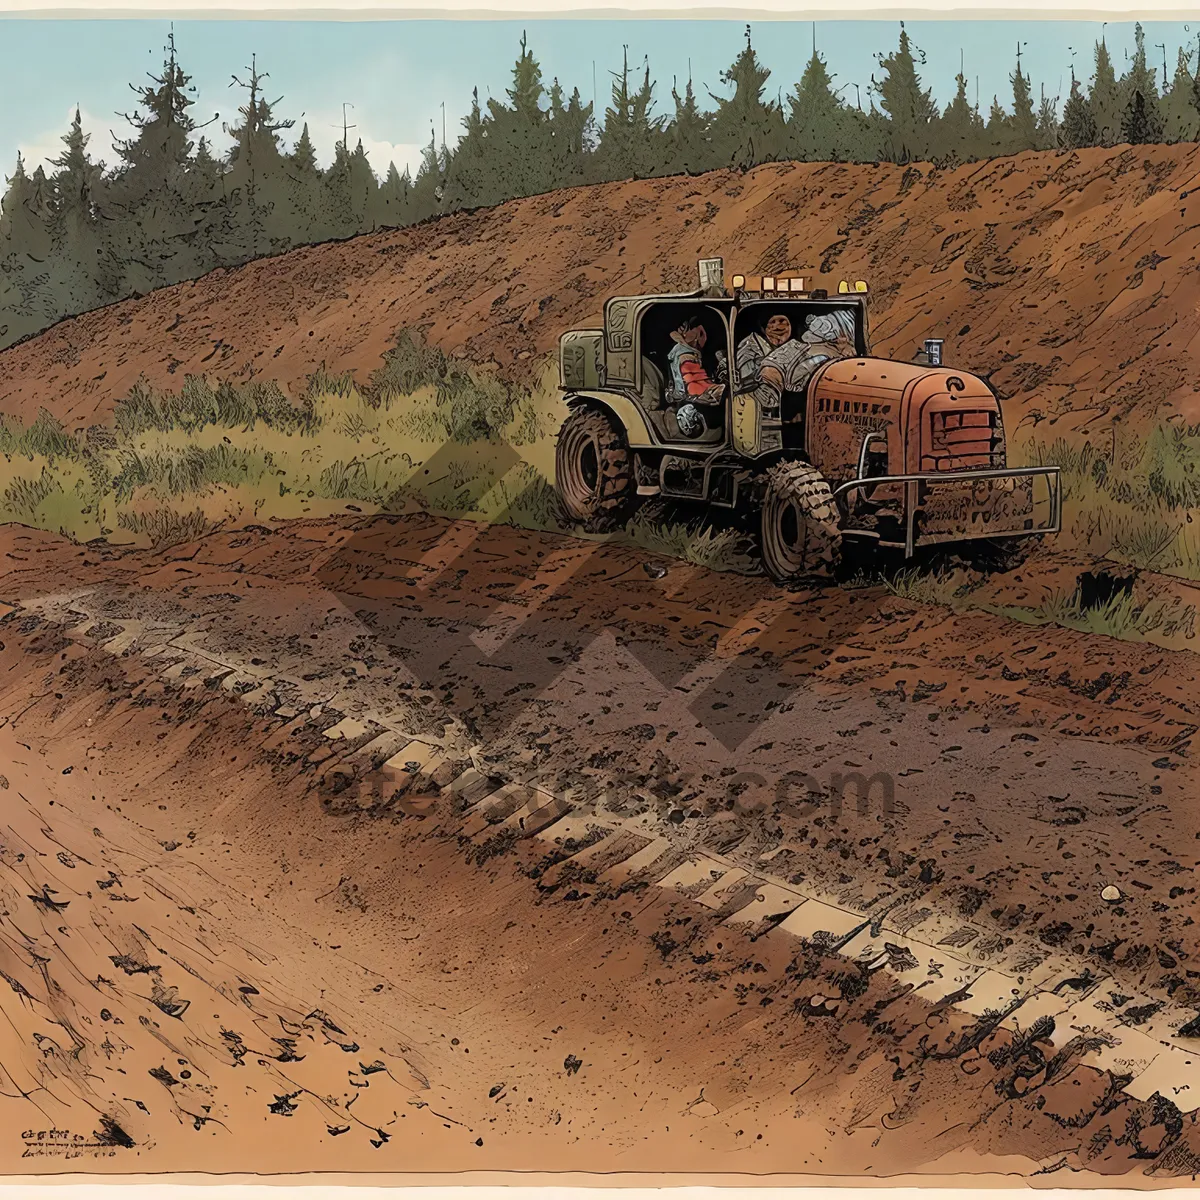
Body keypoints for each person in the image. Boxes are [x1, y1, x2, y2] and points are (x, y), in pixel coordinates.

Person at [666, 314, 724, 438]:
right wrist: (722, 388)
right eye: (699, 332)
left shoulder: (689, 353)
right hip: (693, 406)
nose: (702, 337)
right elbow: (694, 386)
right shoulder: (685, 355)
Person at [736, 312, 794, 388]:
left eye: (782, 321)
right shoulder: (749, 346)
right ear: (763, 328)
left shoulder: (791, 345)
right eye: (773, 322)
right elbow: (742, 374)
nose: (778, 326)